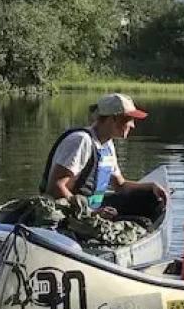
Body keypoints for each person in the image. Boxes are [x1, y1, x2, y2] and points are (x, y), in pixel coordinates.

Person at [40, 93, 166, 221]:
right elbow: (55, 187)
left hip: (94, 208)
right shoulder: (81, 141)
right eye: (128, 119)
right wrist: (91, 212)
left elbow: (120, 185)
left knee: (152, 199)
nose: (132, 125)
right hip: (70, 212)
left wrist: (151, 186)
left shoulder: (107, 144)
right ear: (113, 119)